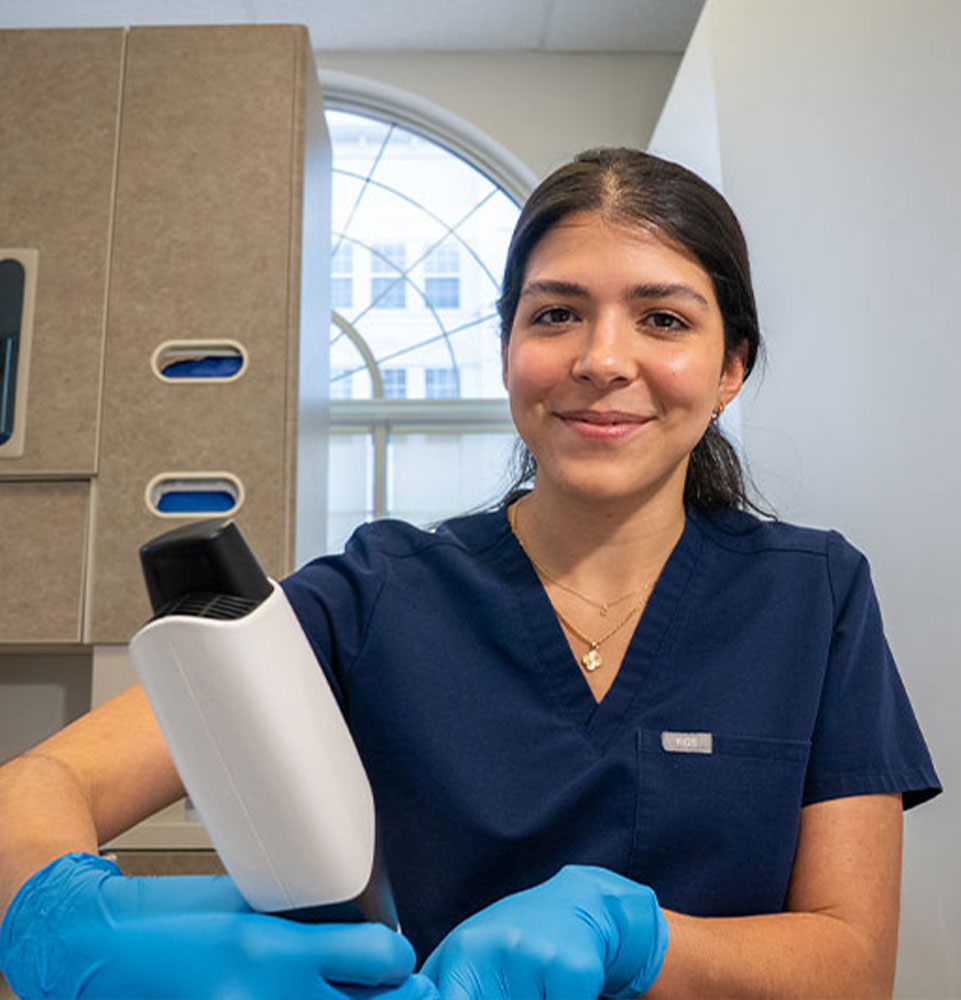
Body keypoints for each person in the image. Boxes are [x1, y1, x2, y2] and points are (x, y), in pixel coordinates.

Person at [0, 147, 940, 999]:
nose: (602, 359)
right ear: (507, 353)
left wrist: (641, 941)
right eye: (556, 314)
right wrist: (53, 922)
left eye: (661, 318)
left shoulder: (812, 596)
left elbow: (850, 965)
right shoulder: (373, 596)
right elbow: (39, 784)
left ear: (730, 365)